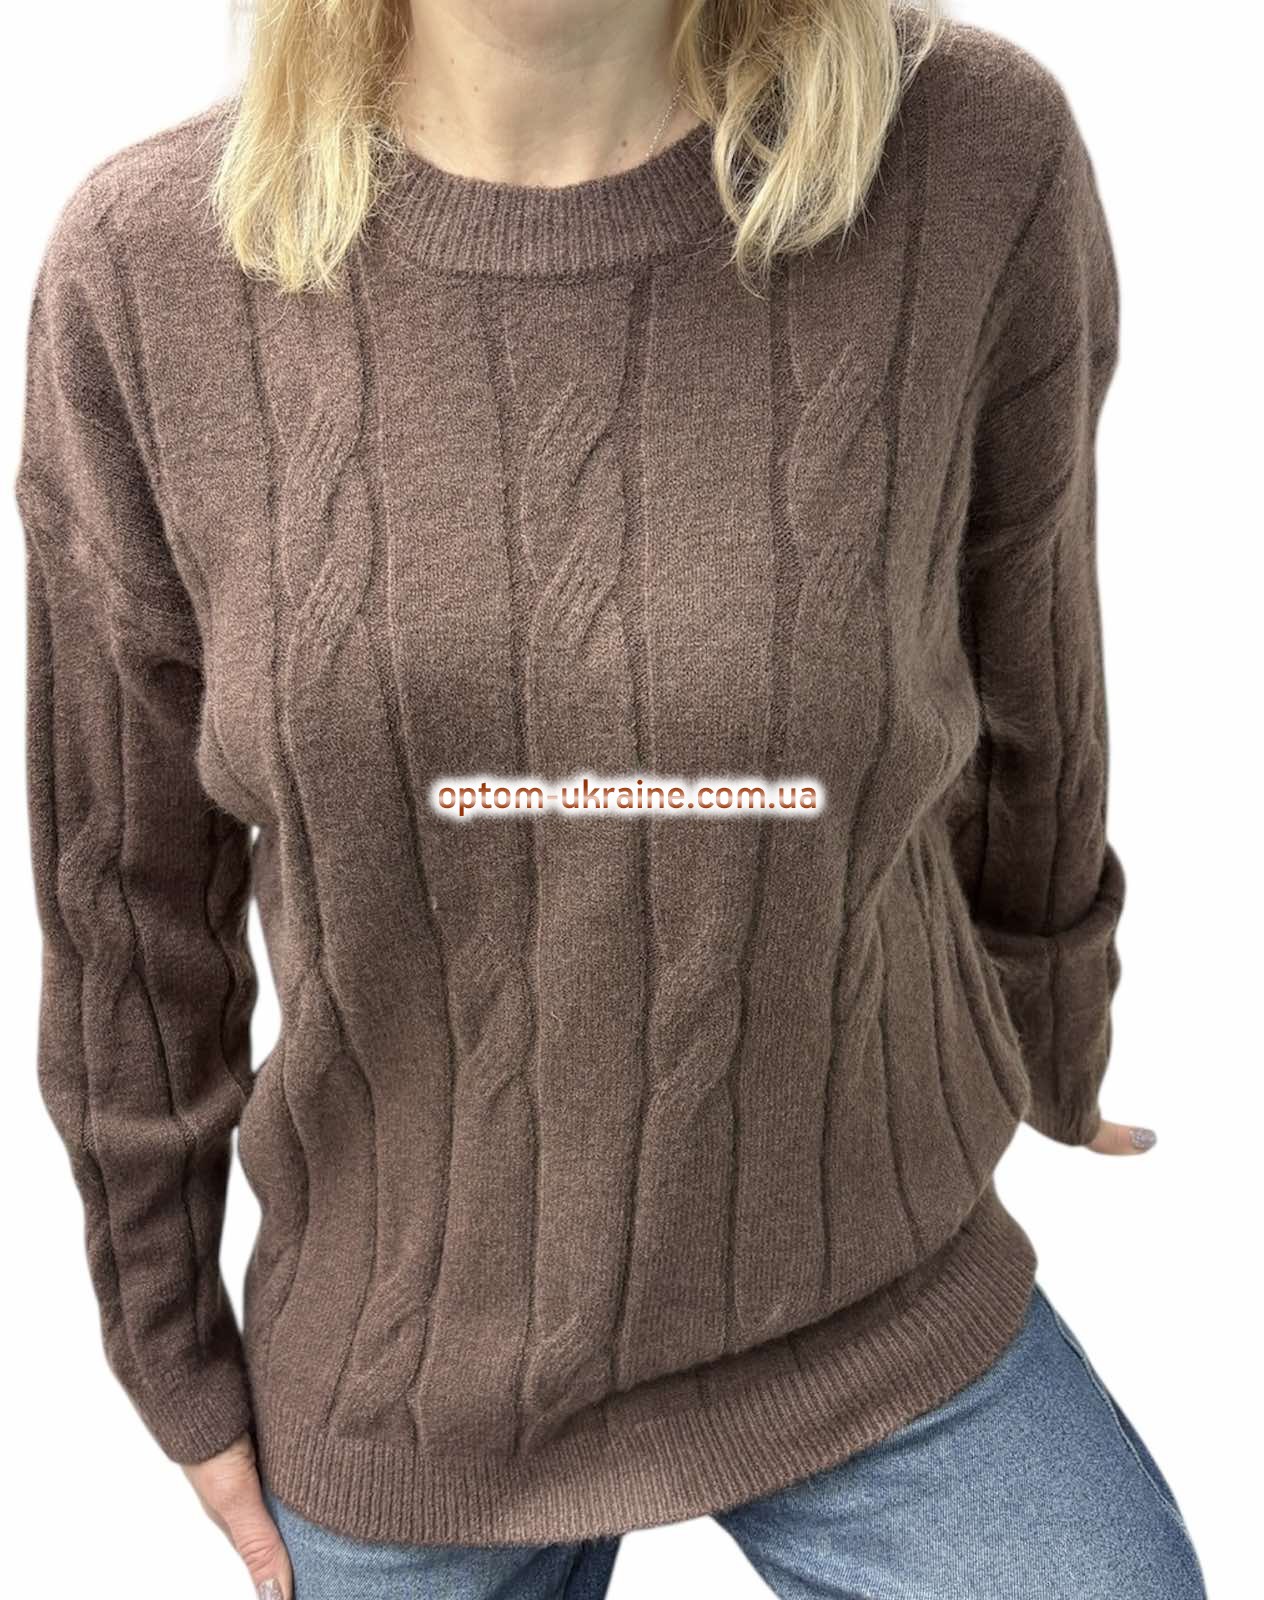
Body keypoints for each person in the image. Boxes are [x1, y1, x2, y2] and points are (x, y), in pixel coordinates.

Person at [13, 0, 1208, 1594]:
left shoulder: (966, 154)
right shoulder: (146, 266)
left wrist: (1058, 1018)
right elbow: (126, 887)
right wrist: (165, 1338)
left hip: (869, 1277)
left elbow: (1030, 660)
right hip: (407, 1364)